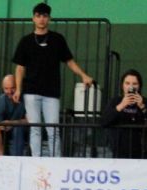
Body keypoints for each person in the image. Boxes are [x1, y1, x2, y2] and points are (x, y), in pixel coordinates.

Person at [12, 2, 94, 158]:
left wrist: (83, 75)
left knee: (53, 129)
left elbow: (69, 61)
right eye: (38, 16)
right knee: (35, 128)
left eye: (44, 16)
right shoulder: (26, 41)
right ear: (33, 18)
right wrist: (18, 88)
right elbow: (20, 67)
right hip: (31, 91)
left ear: (49, 18)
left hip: (51, 92)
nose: (41, 19)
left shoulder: (57, 39)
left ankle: (55, 162)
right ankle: (36, 161)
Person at [100, 69, 147, 159]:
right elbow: (104, 121)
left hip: (141, 152)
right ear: (122, 85)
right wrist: (121, 106)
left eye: (134, 84)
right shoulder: (115, 101)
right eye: (127, 83)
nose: (130, 87)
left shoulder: (145, 101)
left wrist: (142, 106)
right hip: (119, 153)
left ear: (139, 86)